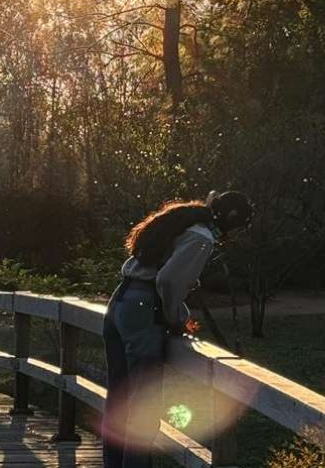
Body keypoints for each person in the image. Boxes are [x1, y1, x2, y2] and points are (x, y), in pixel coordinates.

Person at [101, 190, 254, 468]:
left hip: (121, 302)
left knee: (119, 399)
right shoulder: (202, 238)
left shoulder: (185, 223)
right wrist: (174, 319)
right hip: (144, 310)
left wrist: (177, 312)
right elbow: (168, 282)